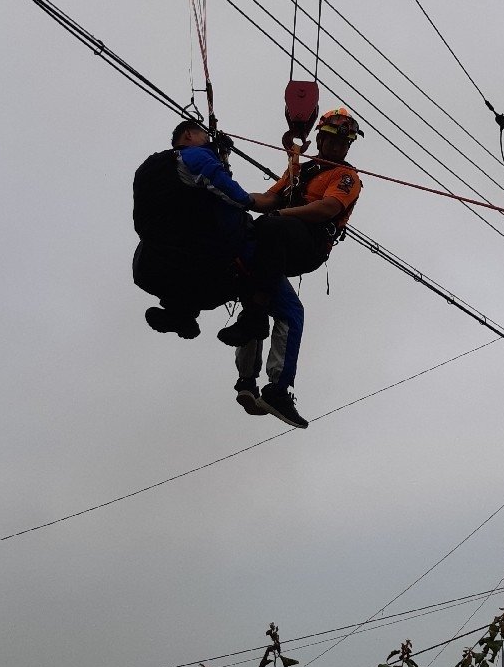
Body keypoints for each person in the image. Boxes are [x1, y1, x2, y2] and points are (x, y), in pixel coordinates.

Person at [219, 109, 364, 429]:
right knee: (255, 274)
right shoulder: (304, 169)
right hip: (279, 239)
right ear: (322, 138)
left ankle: (255, 314)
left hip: (308, 242)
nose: (338, 147)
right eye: (333, 140)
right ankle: (250, 383)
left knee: (269, 228)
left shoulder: (345, 176)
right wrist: (232, 197)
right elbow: (269, 199)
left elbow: (329, 207)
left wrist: (284, 216)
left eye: (344, 143)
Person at [132, 116, 256, 338]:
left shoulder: (152, 167)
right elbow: (229, 192)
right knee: (250, 235)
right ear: (188, 135)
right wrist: (256, 202)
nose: (207, 141)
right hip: (204, 266)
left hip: (152, 266)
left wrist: (222, 157)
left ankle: (179, 314)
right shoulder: (194, 156)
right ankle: (256, 315)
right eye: (204, 136)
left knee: (185, 261)